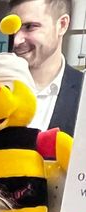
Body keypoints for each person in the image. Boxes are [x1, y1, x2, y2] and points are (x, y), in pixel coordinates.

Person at [10, 0, 83, 135]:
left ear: (62, 25)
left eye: (30, 27)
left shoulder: (82, 91)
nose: (16, 40)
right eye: (13, 28)